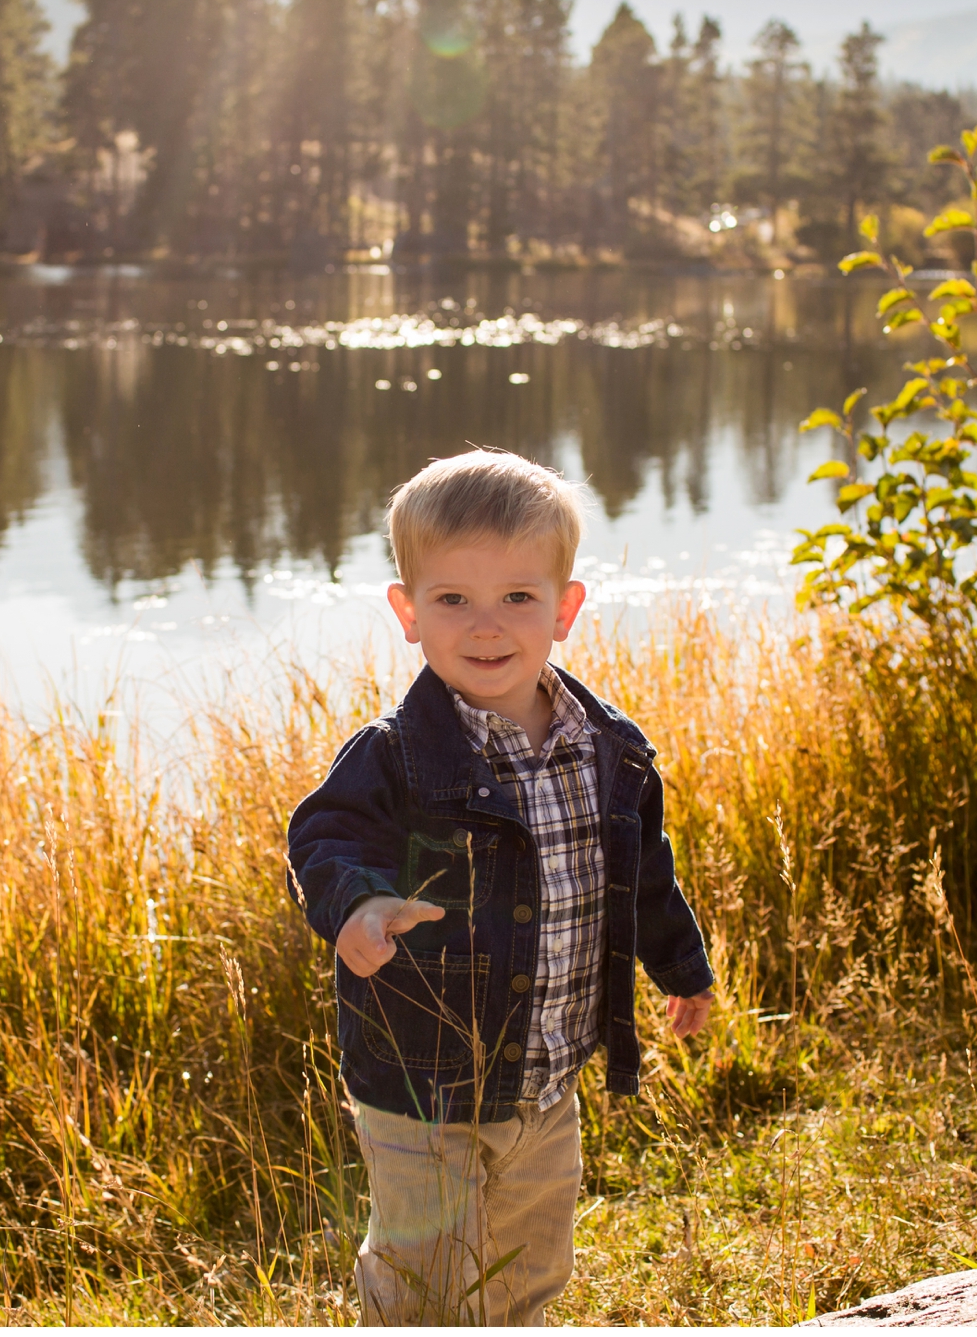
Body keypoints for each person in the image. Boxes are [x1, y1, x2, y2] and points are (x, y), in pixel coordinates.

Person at [287, 448, 716, 1325]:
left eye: (517, 598)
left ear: (564, 608)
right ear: (408, 612)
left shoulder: (611, 751)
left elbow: (643, 876)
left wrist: (682, 967)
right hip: (422, 1085)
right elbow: (326, 835)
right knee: (426, 1277)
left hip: (547, 1080)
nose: (487, 627)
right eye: (454, 600)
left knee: (528, 1268)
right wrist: (359, 906)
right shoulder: (398, 756)